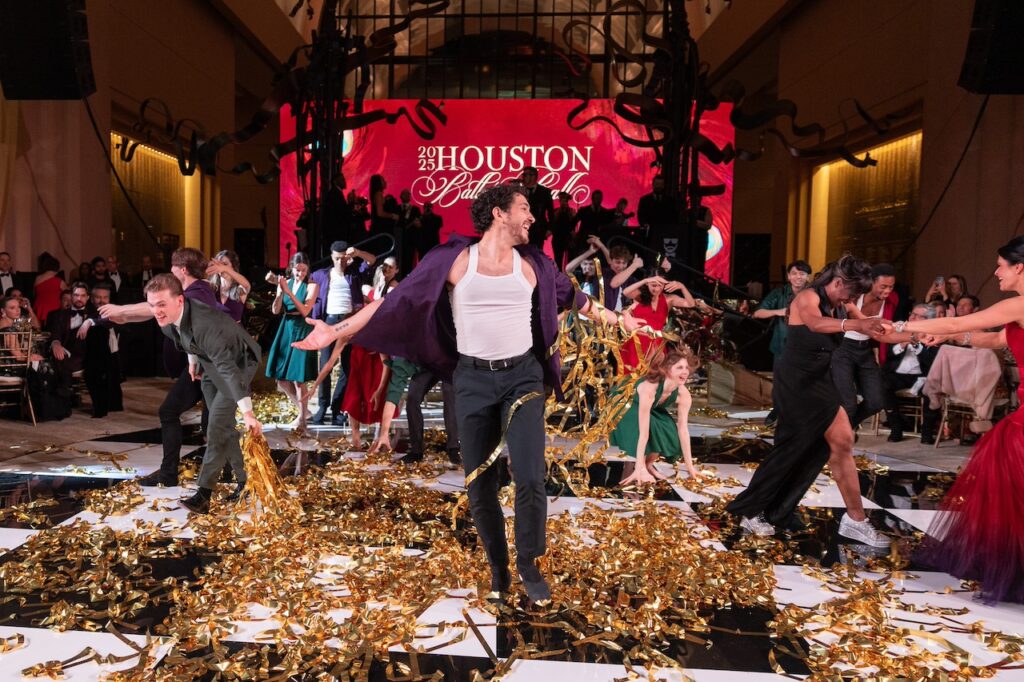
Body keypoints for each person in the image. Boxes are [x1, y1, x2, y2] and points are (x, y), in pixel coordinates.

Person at [293, 183, 639, 604]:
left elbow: (580, 301)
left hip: (523, 378)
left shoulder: (535, 264)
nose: (532, 217)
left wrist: (620, 321)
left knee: (530, 476)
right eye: (525, 208)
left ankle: (530, 564)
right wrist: (336, 330)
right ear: (499, 213)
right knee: (479, 484)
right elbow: (393, 303)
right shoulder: (455, 261)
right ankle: (499, 566)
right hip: (472, 380)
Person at [886, 236, 1024, 603]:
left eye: (1000, 265)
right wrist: (948, 335)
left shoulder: (1020, 304)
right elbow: (994, 340)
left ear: (1019, 267)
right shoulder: (1016, 312)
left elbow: (966, 319)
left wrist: (903, 328)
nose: (996, 272)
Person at [725, 255, 889, 547]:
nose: (852, 300)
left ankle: (855, 520)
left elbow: (869, 326)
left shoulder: (841, 301)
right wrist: (853, 324)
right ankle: (751, 511)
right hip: (796, 383)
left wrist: (914, 333)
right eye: (851, 294)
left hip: (821, 381)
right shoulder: (807, 298)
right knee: (790, 450)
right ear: (838, 283)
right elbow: (815, 324)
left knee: (841, 442)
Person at [100, 248, 226, 488]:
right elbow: (156, 310)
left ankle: (225, 473)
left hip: (212, 368)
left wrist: (122, 310)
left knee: (207, 422)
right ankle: (171, 474)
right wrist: (125, 317)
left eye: (172, 267)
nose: (170, 271)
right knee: (178, 414)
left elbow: (158, 308)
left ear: (182, 270)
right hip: (199, 368)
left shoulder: (198, 292)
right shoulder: (196, 291)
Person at [145, 273, 262, 513]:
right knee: (224, 428)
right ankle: (246, 482)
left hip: (239, 363)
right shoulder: (167, 320)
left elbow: (230, 370)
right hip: (209, 363)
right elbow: (184, 335)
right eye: (152, 305)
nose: (156, 311)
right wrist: (192, 359)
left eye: (161, 304)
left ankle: (204, 494)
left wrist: (248, 413)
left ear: (179, 300)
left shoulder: (205, 324)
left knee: (216, 426)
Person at [610, 345, 702, 485]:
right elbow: (643, 433)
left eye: (686, 368)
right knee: (649, 426)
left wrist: (690, 468)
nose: (685, 372)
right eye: (679, 368)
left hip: (648, 406)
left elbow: (683, 430)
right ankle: (640, 467)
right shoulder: (649, 388)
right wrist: (638, 469)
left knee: (667, 425)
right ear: (666, 370)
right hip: (623, 403)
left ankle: (649, 464)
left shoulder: (684, 394)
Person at [307, 240, 376, 425]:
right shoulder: (322, 275)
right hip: (329, 321)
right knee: (325, 366)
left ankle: (337, 408)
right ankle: (322, 407)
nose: (340, 262)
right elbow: (311, 290)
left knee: (347, 367)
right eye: (337, 258)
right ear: (332, 256)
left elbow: (372, 260)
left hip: (348, 322)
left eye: (343, 258)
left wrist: (358, 252)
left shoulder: (354, 273)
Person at [339, 257, 400, 449]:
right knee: (354, 392)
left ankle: (379, 436)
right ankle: (356, 438)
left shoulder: (394, 289)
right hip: (361, 347)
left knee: (378, 392)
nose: (386, 269)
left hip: (379, 344)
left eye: (390, 267)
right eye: (384, 266)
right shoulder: (369, 290)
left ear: (396, 270)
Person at [831, 263, 897, 431]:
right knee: (848, 403)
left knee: (876, 402)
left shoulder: (891, 301)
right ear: (871, 282)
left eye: (891, 286)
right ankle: (839, 436)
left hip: (865, 349)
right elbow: (861, 322)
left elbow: (884, 330)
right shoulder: (854, 295)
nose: (887, 291)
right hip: (843, 348)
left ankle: (841, 430)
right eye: (883, 286)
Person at [753, 260, 812, 425]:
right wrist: (779, 311)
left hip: (807, 346)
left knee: (804, 381)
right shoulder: (780, 293)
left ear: (808, 277)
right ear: (788, 276)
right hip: (782, 345)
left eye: (802, 274)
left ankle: (800, 414)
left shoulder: (814, 293)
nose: (798, 277)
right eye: (794, 273)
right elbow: (758, 313)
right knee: (780, 382)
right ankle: (778, 410)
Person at [266, 252, 318, 429]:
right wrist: (280, 293)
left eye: (303, 270)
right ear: (291, 268)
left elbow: (305, 311)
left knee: (298, 379)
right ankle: (303, 410)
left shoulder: (312, 286)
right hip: (286, 327)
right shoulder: (285, 283)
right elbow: (275, 310)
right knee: (281, 379)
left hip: (302, 328)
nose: (300, 274)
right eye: (297, 270)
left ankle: (302, 418)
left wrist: (289, 292)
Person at [880, 303, 939, 443]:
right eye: (912, 314)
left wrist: (917, 346)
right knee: (883, 384)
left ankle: (926, 434)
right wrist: (902, 344)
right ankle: (896, 428)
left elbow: (934, 361)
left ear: (927, 319)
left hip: (922, 376)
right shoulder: (899, 332)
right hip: (898, 375)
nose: (912, 317)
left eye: (917, 316)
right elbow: (887, 354)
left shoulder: (934, 335)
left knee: (933, 389)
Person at [619, 271, 696, 373]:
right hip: (636, 342)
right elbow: (625, 292)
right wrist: (645, 280)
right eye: (653, 285)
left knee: (653, 378)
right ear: (647, 284)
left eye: (660, 285)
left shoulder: (669, 299)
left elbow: (690, 304)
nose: (657, 289)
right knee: (631, 378)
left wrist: (682, 287)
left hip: (656, 345)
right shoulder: (640, 296)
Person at [637, 174, 679, 260]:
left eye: (661, 184)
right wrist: (645, 225)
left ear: (663, 186)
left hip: (665, 235)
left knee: (663, 257)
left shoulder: (670, 201)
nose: (659, 187)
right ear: (653, 185)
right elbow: (641, 215)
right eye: (657, 184)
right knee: (649, 256)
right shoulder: (645, 200)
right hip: (649, 235)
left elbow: (674, 216)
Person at [206, 250, 250, 322]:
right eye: (219, 264)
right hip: (216, 331)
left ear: (233, 266)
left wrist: (225, 269)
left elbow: (246, 285)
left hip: (234, 332)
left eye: (225, 264)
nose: (221, 267)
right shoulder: (212, 287)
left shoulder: (239, 288)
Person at [519, 166, 554, 250]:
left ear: (533, 176)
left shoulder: (545, 192)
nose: (522, 177)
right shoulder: (520, 191)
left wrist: (550, 229)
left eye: (525, 175)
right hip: (522, 228)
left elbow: (550, 211)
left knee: (537, 254)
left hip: (539, 229)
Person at [33, 253, 66, 326]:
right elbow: (68, 295)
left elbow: (34, 294)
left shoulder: (37, 279)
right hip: (54, 311)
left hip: (39, 310)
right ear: (57, 268)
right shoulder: (59, 281)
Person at [550, 192, 576, 270]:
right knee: (558, 260)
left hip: (569, 238)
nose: (563, 202)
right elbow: (553, 221)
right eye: (561, 200)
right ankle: (559, 278)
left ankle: (569, 278)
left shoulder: (571, 211)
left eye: (565, 200)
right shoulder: (556, 211)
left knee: (570, 261)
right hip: (558, 238)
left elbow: (574, 222)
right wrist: (561, 209)